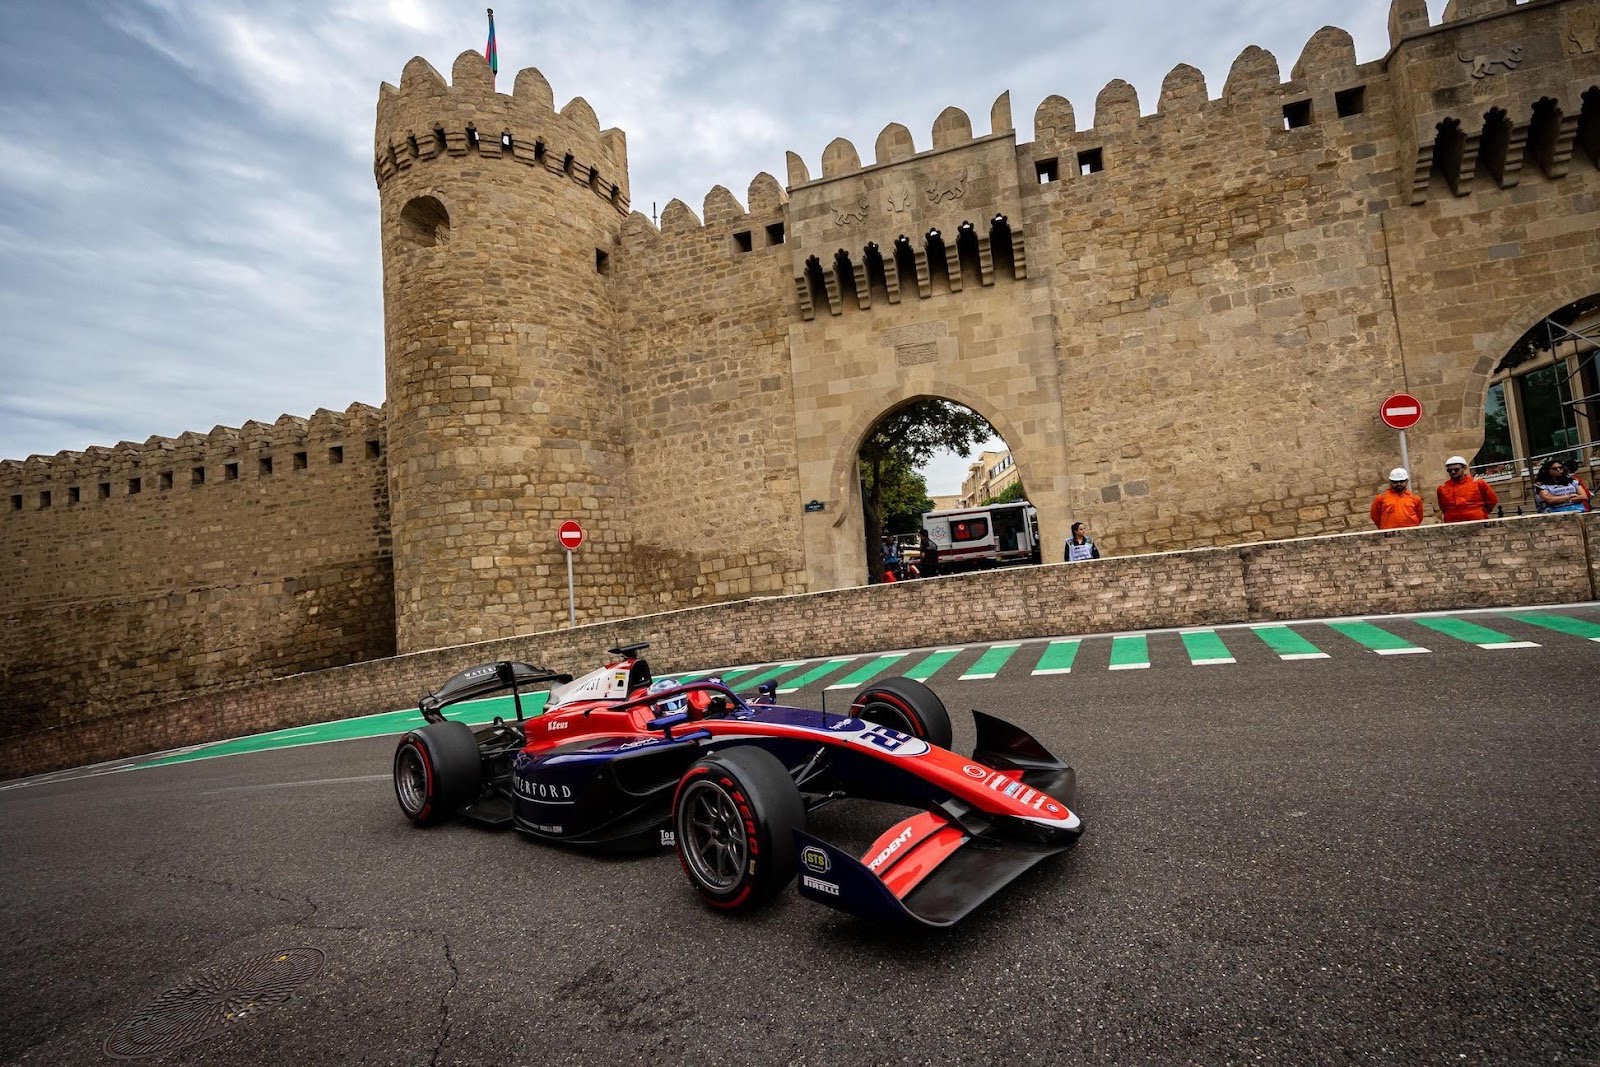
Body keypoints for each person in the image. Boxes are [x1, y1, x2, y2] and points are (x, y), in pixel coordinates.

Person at [1435, 455, 1498, 522]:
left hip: (1477, 520)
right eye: (1449, 470)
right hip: (1453, 522)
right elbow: (1443, 507)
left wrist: (1480, 511)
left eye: (1456, 469)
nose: (1453, 472)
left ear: (1464, 468)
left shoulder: (1478, 483)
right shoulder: (1442, 488)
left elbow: (1492, 501)